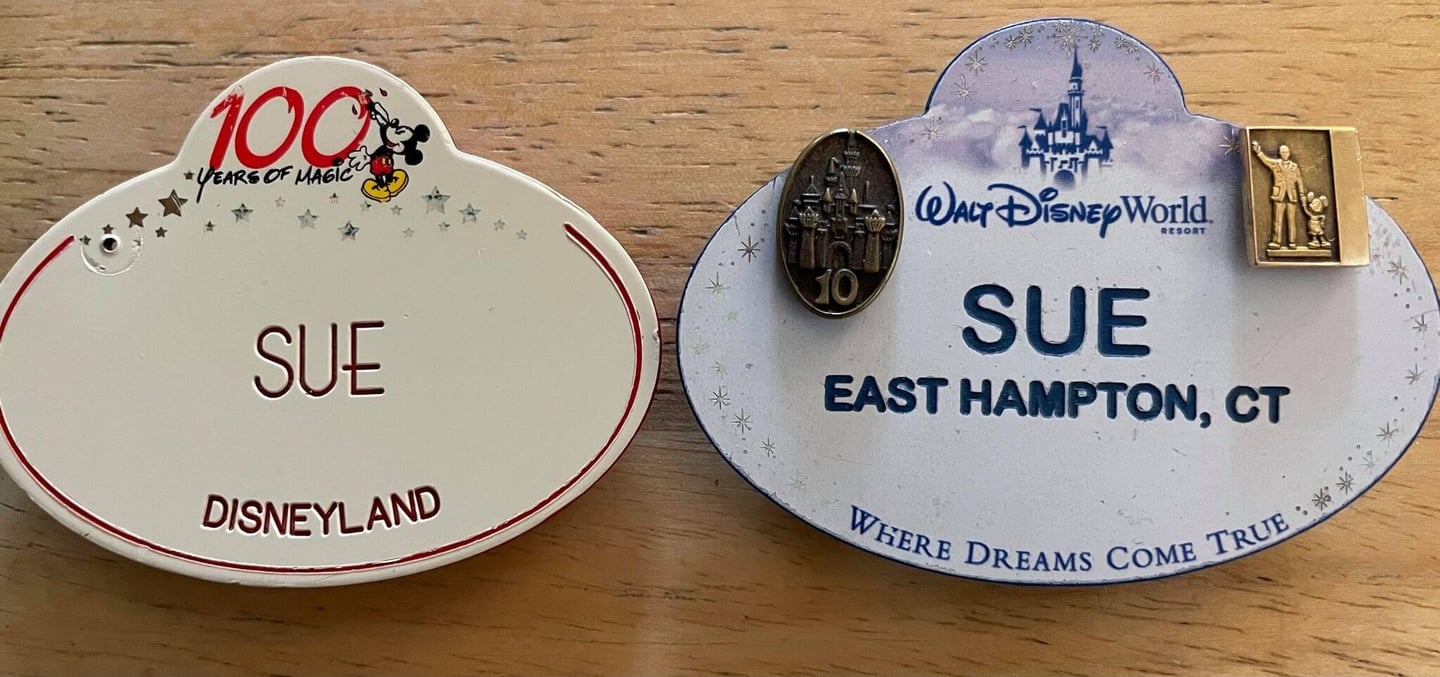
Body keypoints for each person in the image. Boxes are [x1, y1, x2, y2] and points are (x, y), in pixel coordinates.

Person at [1252, 141, 1306, 249]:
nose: (1284, 154)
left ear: (1289, 153)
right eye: (1282, 152)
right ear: (1279, 153)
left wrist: (1302, 194)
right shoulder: (1275, 164)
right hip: (1279, 196)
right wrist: (1259, 153)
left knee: (1291, 220)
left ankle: (1292, 242)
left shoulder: (1294, 166)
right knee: (1277, 220)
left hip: (1291, 196)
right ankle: (1276, 242)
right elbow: (1266, 160)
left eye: (1286, 152)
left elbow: (1299, 181)